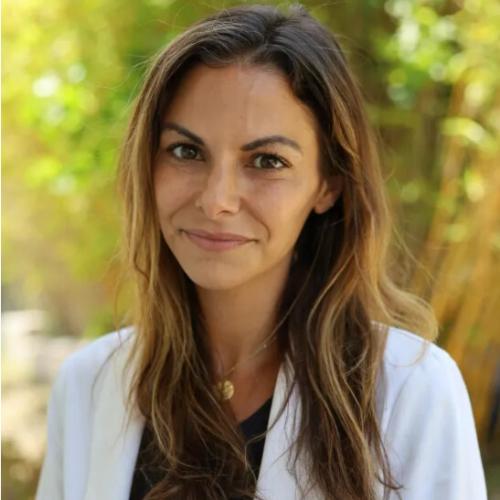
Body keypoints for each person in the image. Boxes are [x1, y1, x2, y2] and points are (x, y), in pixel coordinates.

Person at [35, 4, 488, 500]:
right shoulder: (87, 388)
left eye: (267, 161)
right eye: (186, 151)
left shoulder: (412, 392)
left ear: (329, 185)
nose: (217, 200)